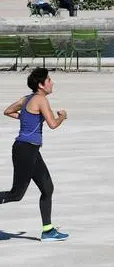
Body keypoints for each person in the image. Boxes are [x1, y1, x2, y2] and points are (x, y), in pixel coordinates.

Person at [0, 67, 69, 241]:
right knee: (16, 194)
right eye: (49, 80)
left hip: (30, 150)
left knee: (47, 188)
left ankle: (48, 231)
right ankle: (48, 231)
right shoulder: (41, 100)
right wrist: (62, 116)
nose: (52, 83)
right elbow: (53, 124)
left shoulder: (27, 98)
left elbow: (7, 111)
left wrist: (26, 117)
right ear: (41, 85)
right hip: (25, 150)